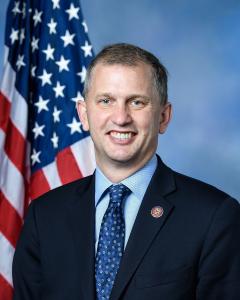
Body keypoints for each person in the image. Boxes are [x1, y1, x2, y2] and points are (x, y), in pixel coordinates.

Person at [13, 43, 240, 300]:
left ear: (163, 117)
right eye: (106, 101)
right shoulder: (44, 216)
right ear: (84, 115)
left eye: (137, 102)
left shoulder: (213, 216)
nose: (121, 117)